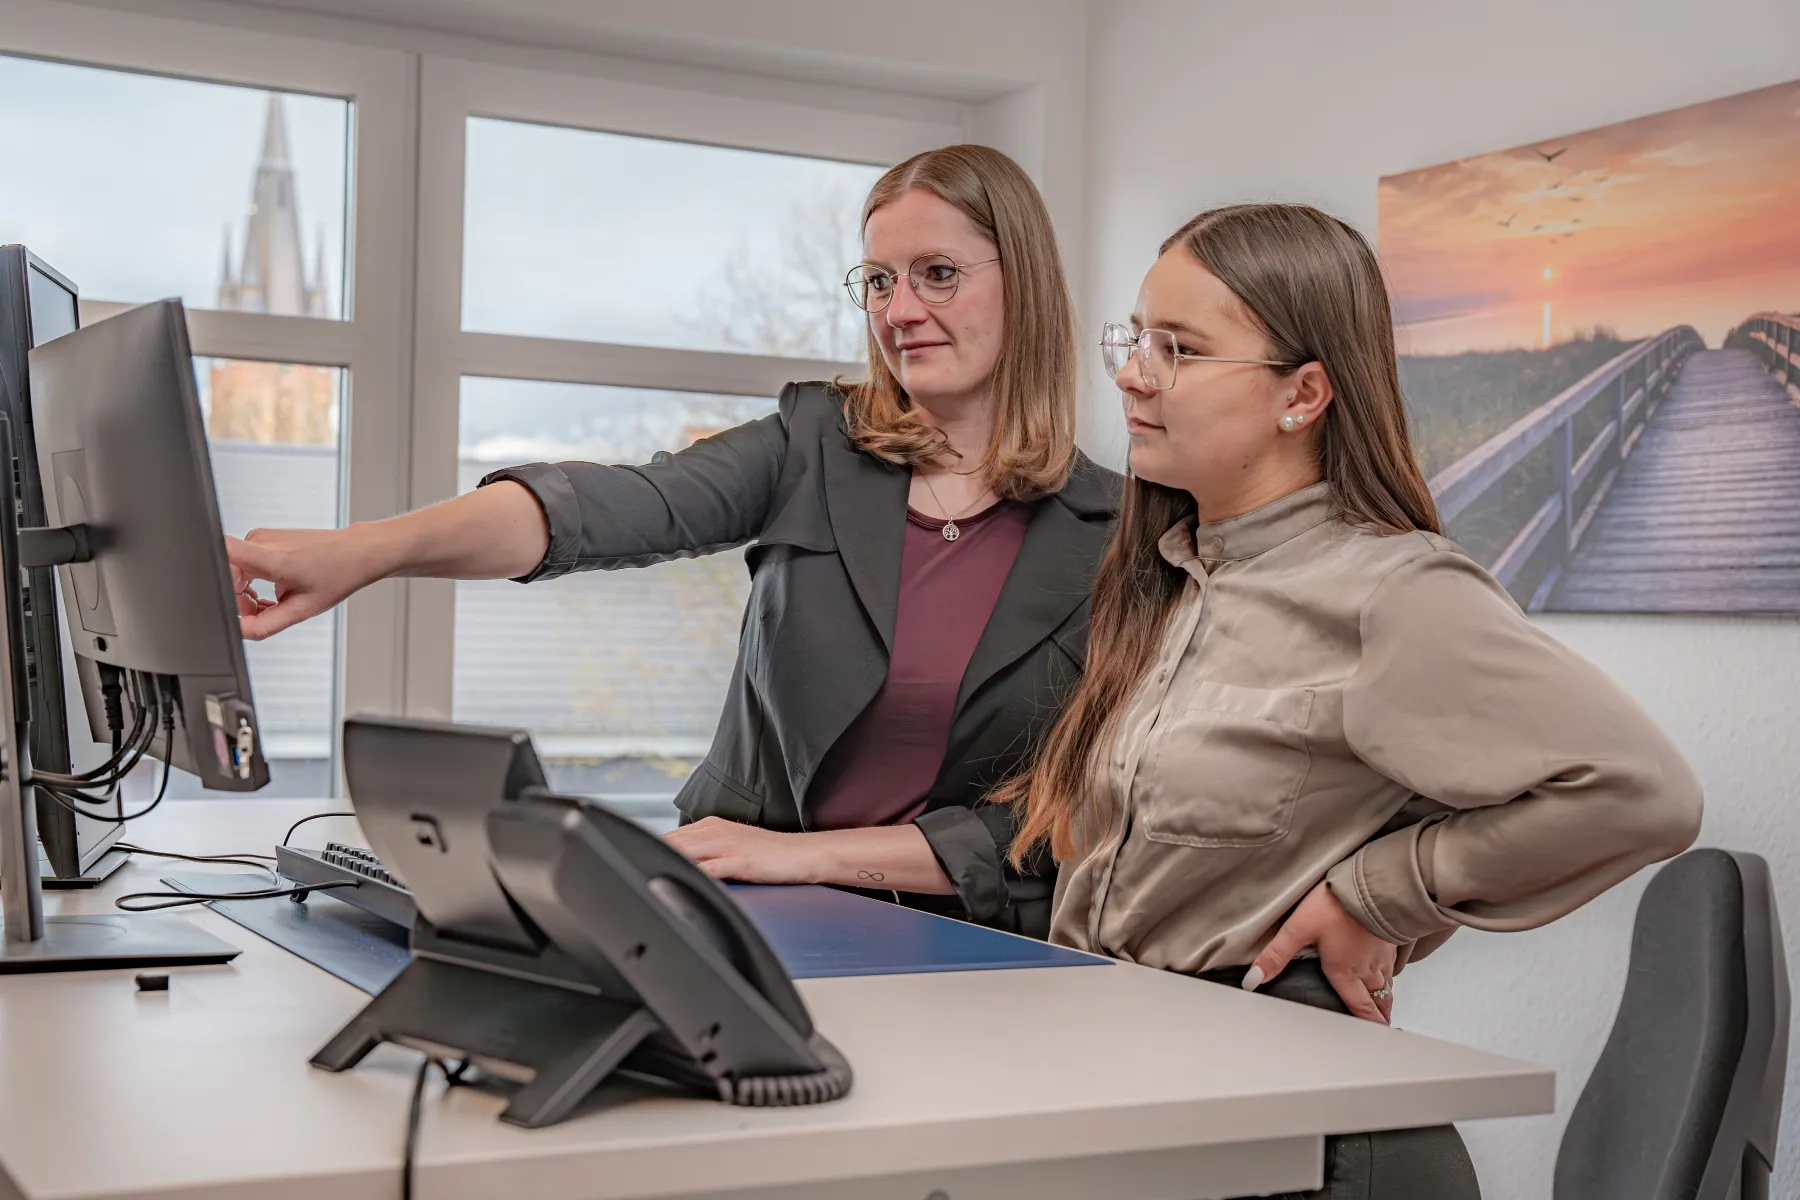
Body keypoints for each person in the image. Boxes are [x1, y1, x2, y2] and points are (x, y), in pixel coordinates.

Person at [225, 144, 1119, 939]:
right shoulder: (815, 440)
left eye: (936, 273)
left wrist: (808, 858)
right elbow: (608, 507)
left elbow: (1048, 825)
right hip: (732, 912)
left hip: (963, 949)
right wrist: (361, 553)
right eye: (879, 281)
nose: (899, 310)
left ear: (1024, 283)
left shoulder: (1112, 536)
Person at [995, 203, 1703, 1197]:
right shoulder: (1168, 580)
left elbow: (1644, 794)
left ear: (1304, 394)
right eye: (1137, 339)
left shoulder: (1394, 592)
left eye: (1180, 349)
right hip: (1155, 1104)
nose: (1132, 372)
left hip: (1304, 1150)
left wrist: (1378, 891)